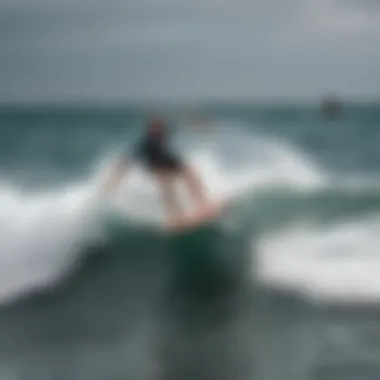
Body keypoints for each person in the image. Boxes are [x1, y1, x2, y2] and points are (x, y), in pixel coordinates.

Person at [104, 117, 212, 225]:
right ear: (150, 130)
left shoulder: (165, 132)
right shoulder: (144, 144)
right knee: (167, 187)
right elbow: (125, 163)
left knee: (191, 175)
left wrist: (198, 122)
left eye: (160, 128)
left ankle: (204, 204)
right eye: (156, 129)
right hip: (156, 166)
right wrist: (112, 184)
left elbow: (182, 125)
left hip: (169, 160)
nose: (160, 132)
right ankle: (175, 217)